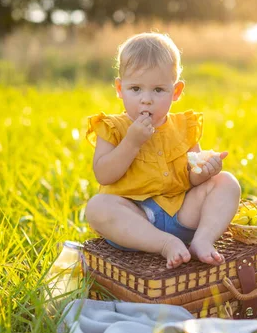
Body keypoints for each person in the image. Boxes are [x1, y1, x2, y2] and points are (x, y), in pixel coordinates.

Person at [85, 32, 241, 269]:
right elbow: (103, 175)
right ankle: (164, 243)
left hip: (182, 213)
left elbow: (193, 178)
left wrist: (205, 172)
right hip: (135, 220)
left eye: (158, 90)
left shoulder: (184, 127)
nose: (146, 100)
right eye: (135, 89)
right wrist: (131, 143)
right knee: (97, 207)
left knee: (227, 183)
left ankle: (202, 240)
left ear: (176, 92)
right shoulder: (112, 128)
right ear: (119, 88)